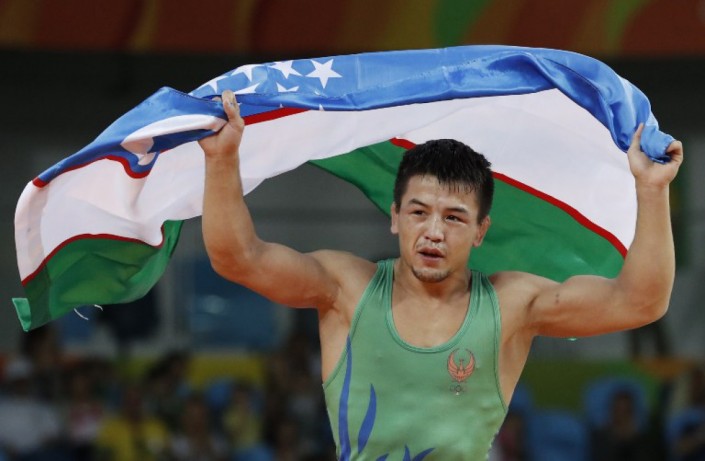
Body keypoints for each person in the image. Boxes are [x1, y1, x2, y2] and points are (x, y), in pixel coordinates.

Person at [198, 90, 684, 459]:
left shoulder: (512, 304)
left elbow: (641, 302)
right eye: (419, 212)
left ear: (480, 231)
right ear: (394, 217)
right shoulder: (346, 288)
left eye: (453, 217)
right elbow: (239, 258)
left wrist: (652, 190)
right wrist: (221, 160)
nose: (433, 232)